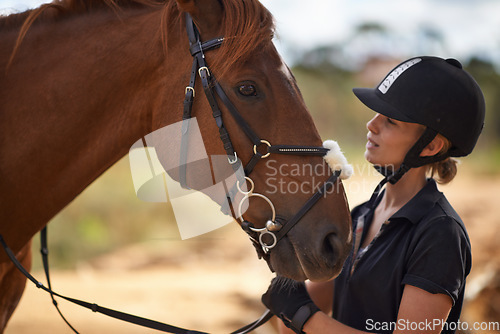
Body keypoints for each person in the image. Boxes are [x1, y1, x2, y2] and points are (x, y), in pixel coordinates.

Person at [261, 56, 486, 334]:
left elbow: (306, 320)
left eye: (390, 120)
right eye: (376, 113)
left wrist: (303, 316)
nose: (372, 124)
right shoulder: (360, 216)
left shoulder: (439, 233)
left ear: (431, 146)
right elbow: (294, 322)